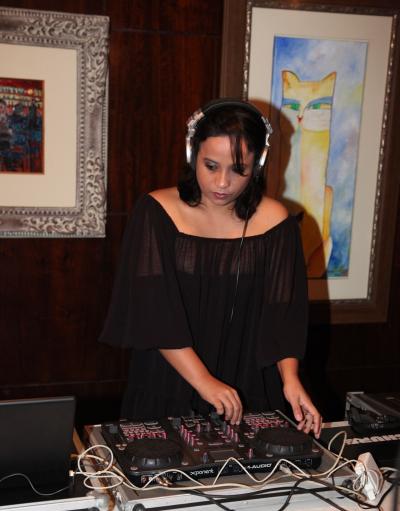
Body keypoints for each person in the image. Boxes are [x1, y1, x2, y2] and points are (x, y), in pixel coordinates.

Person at [100, 98, 322, 438]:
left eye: (238, 170)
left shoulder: (277, 222)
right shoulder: (156, 212)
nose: (222, 182)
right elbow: (155, 314)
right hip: (170, 383)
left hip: (250, 386)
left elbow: (283, 316)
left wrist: (290, 380)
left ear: (258, 164)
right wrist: (204, 381)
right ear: (192, 154)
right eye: (211, 166)